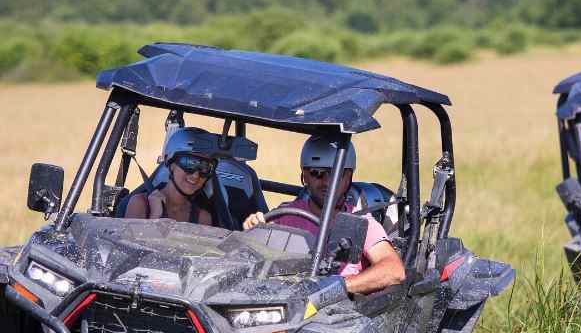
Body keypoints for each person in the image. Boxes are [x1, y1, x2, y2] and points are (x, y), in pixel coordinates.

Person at [243, 136, 406, 295]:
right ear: (304, 176)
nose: (327, 182)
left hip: (337, 312)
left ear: (348, 176)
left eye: (335, 174)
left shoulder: (361, 223)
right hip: (287, 301)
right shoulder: (285, 214)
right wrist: (253, 230)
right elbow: (251, 257)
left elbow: (394, 270)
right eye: (317, 173)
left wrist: (336, 288)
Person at [124, 127, 215, 224]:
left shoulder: (202, 218)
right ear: (170, 163)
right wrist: (155, 215)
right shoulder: (140, 204)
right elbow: (130, 239)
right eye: (189, 163)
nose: (196, 176)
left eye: (205, 167)